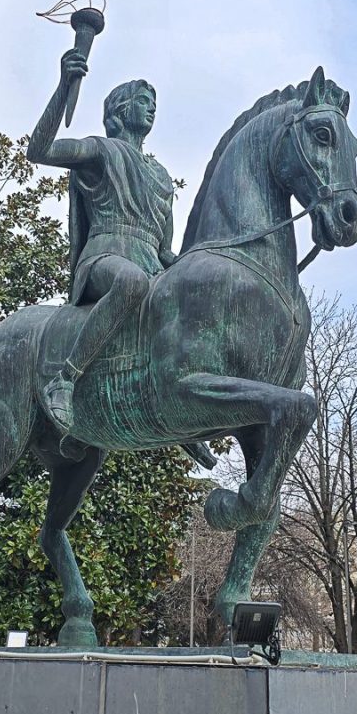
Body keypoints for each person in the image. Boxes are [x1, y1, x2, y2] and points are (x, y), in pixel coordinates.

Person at [28, 48, 215, 469]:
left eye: (154, 104)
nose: (151, 108)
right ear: (119, 110)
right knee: (131, 282)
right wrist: (63, 87)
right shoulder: (101, 151)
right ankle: (65, 379)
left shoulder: (161, 177)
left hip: (150, 266)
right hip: (105, 258)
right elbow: (39, 150)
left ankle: (182, 416)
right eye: (143, 101)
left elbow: (165, 250)